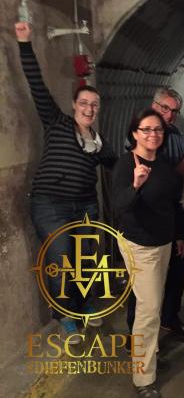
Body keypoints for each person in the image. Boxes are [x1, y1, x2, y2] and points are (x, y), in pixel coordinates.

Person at [15, 21, 117, 342]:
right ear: (74, 105)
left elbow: (118, 163)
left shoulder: (99, 142)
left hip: (85, 205)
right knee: (61, 259)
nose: (89, 108)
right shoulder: (57, 122)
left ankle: (86, 306)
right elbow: (36, 83)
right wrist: (24, 43)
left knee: (87, 258)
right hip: (50, 205)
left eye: (94, 105)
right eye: (84, 103)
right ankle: (66, 316)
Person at [113, 109, 184, 398]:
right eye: (146, 129)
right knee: (149, 308)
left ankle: (148, 356)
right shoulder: (126, 164)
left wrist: (178, 234)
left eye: (158, 130)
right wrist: (136, 185)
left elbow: (172, 204)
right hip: (139, 244)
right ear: (134, 133)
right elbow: (119, 205)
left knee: (152, 304)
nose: (153, 135)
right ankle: (143, 378)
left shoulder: (165, 165)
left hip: (163, 242)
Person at [126, 87, 184, 345]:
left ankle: (169, 317)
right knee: (143, 280)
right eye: (165, 108)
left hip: (171, 207)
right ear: (154, 105)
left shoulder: (174, 135)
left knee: (179, 264)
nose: (170, 115)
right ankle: (134, 331)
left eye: (174, 111)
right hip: (144, 211)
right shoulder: (140, 130)